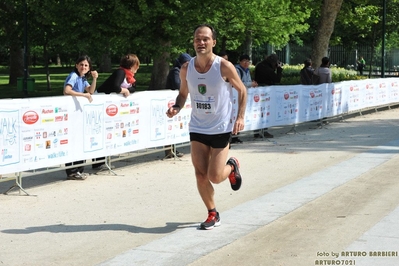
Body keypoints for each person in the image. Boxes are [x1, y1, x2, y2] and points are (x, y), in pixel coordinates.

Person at [166, 24, 247, 230]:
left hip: (220, 127)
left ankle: (231, 166)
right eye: (197, 39)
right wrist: (176, 106)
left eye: (205, 39)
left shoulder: (224, 66)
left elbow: (242, 90)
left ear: (213, 42)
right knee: (200, 175)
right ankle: (212, 213)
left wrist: (240, 116)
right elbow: (183, 93)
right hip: (198, 127)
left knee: (214, 176)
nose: (200, 43)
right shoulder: (187, 68)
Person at [94, 54, 140, 169]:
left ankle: (100, 161)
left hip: (109, 107)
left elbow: (133, 88)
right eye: (136, 65)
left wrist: (127, 90)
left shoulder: (130, 76)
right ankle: (98, 162)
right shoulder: (120, 73)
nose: (138, 68)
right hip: (100, 103)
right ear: (132, 65)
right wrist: (124, 90)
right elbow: (115, 86)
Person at [63, 55, 98, 180]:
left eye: (86, 65)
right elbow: (67, 90)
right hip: (71, 115)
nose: (83, 67)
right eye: (81, 64)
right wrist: (83, 95)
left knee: (80, 141)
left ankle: (78, 169)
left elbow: (91, 91)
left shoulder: (82, 78)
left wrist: (94, 79)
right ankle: (72, 171)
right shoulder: (74, 76)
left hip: (78, 115)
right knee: (73, 141)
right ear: (77, 65)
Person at [163, 53, 192, 158]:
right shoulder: (176, 71)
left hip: (178, 101)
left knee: (175, 126)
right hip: (172, 101)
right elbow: (177, 84)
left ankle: (172, 150)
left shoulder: (186, 72)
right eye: (186, 62)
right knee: (169, 126)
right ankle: (169, 151)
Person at [253, 54, 283, 138]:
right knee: (265, 111)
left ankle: (257, 131)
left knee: (258, 111)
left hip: (258, 89)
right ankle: (264, 130)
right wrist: (279, 69)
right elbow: (277, 79)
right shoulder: (268, 69)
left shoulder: (260, 65)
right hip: (266, 90)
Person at [231, 54, 258, 144]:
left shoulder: (247, 70)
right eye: (244, 61)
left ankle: (236, 135)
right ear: (240, 62)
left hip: (243, 95)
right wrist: (251, 84)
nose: (246, 63)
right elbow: (239, 83)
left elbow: (247, 81)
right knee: (235, 115)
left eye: (248, 61)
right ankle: (233, 136)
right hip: (236, 95)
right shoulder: (237, 70)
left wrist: (251, 84)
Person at [314, 57, 332, 126]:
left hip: (318, 89)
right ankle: (325, 119)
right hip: (325, 90)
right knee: (325, 104)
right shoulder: (328, 71)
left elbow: (314, 78)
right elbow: (329, 81)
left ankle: (318, 118)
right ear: (328, 63)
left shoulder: (318, 69)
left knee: (318, 104)